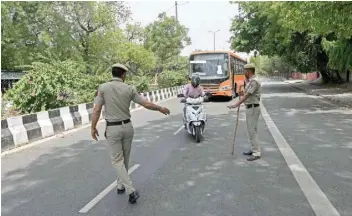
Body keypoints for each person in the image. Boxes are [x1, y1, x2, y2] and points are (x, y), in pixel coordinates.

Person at [91, 64, 170, 204]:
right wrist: (160, 108)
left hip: (113, 129)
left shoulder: (102, 88)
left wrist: (93, 127)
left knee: (117, 160)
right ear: (123, 75)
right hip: (127, 127)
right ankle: (121, 185)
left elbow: (97, 109)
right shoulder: (129, 89)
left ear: (113, 74)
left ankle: (130, 190)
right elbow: (146, 104)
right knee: (124, 159)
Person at [227, 64, 262, 161]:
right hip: (251, 108)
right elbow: (247, 93)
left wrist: (236, 104)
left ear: (249, 71)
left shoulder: (254, 81)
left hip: (253, 108)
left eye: (245, 71)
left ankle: (256, 153)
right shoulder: (251, 81)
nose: (244, 73)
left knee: (252, 131)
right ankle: (254, 149)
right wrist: (240, 93)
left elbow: (247, 95)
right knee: (252, 131)